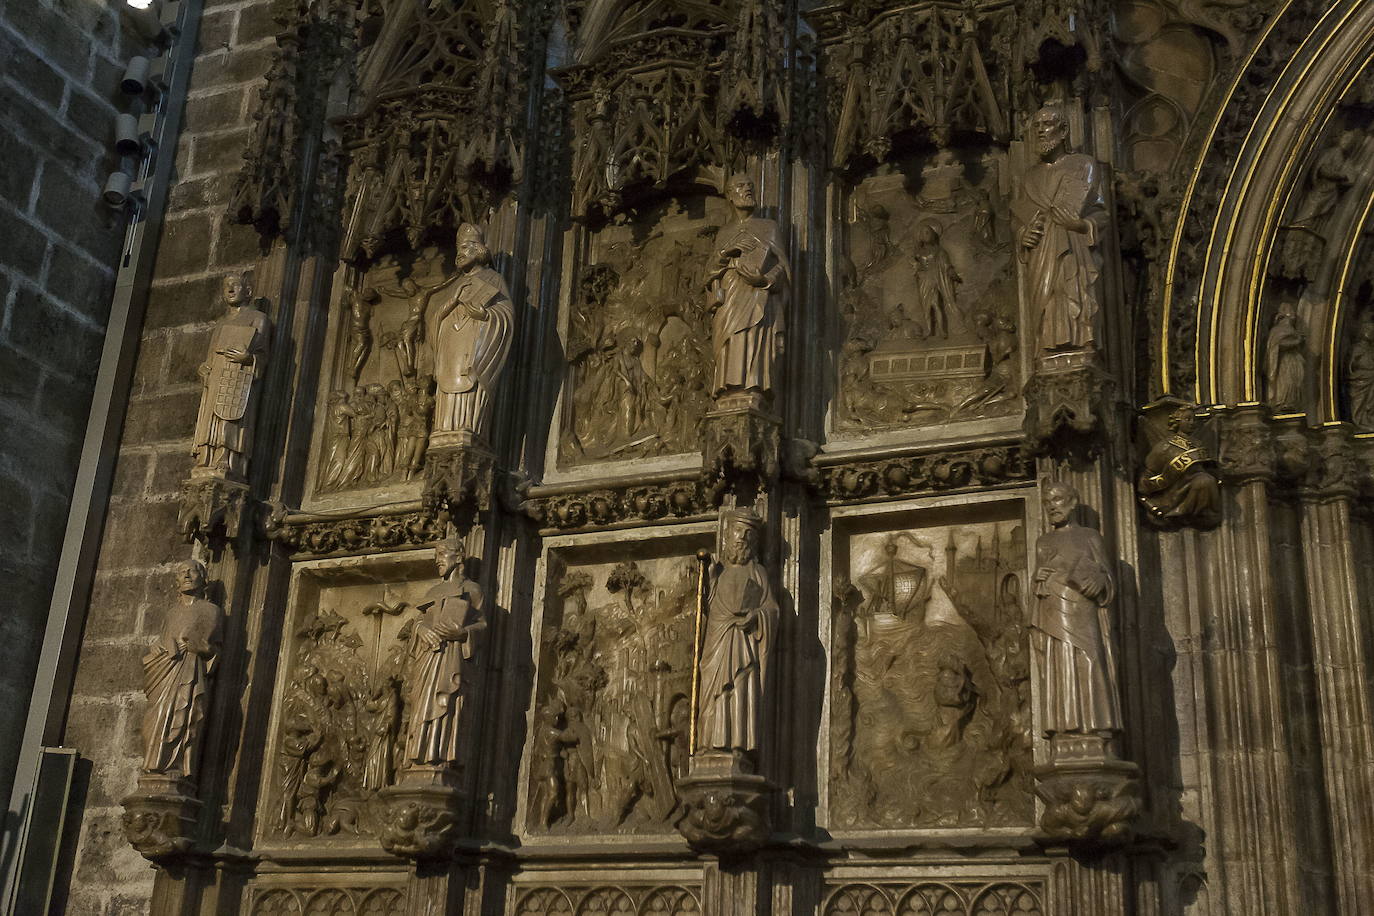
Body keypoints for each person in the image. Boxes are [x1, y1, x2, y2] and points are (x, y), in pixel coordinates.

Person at [1014, 104, 1108, 353]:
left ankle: (1081, 342)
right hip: (1041, 252)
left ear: (1064, 129)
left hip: (1073, 245)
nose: (1040, 131)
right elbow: (1020, 220)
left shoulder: (1083, 165)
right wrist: (1024, 235)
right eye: (1036, 126)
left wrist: (1080, 225)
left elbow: (1101, 213)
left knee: (1072, 289)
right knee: (1047, 299)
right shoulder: (1029, 177)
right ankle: (1047, 346)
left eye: (1046, 124)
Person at [1031, 482, 1122, 738]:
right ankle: (1064, 728)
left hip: (1083, 609)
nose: (1051, 506)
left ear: (1073, 502)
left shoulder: (1090, 536)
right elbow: (1037, 584)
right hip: (1052, 609)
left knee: (1091, 659)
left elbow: (1106, 575)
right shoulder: (1043, 542)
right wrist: (1037, 579)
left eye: (1057, 500)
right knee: (1059, 663)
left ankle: (1097, 726)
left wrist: (1101, 581)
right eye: (1047, 502)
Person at [695, 509, 779, 767]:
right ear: (726, 536)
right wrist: (705, 579)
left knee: (740, 689)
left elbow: (772, 610)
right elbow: (704, 608)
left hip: (744, 643)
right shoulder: (715, 572)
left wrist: (757, 617)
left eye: (748, 533)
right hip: (717, 643)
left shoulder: (758, 573)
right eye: (737, 531)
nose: (742, 537)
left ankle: (738, 746)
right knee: (713, 693)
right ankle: (709, 744)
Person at [426, 223, 516, 447]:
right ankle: (445, 429)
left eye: (466, 247)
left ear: (479, 250)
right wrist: (453, 301)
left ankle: (470, 430)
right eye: (459, 249)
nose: (460, 254)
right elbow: (435, 319)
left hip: (474, 351)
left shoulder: (493, 279)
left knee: (469, 390)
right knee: (447, 392)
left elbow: (506, 316)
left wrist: (486, 315)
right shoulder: (455, 284)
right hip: (450, 353)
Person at [705, 174, 790, 402]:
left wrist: (763, 281)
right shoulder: (724, 233)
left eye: (751, 186)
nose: (748, 190)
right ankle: (727, 389)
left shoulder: (768, 227)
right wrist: (725, 252)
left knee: (753, 340)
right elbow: (709, 273)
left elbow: (783, 267)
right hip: (730, 297)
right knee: (729, 342)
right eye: (741, 186)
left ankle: (752, 389)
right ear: (730, 196)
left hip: (757, 295)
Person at [403, 537, 487, 768]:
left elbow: (483, 626)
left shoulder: (472, 590)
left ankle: (439, 759)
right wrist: (420, 629)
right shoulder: (433, 590)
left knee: (448, 701)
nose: (437, 561)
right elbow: (420, 621)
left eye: (441, 554)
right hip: (428, 657)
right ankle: (417, 756)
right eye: (435, 556)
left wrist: (462, 634)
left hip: (451, 657)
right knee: (421, 704)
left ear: (458, 557)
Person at [141, 560, 221, 779]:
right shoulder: (172, 613)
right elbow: (166, 640)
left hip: (189, 670)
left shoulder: (211, 611)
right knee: (156, 716)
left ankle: (176, 767)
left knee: (186, 716)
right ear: (176, 581)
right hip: (165, 671)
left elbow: (214, 648)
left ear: (202, 577)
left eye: (191, 571)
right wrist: (157, 646)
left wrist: (194, 646)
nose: (186, 575)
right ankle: (153, 765)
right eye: (181, 572)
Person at [192, 273, 271, 479]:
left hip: (239, 376)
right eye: (226, 286)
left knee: (231, 418)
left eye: (235, 285)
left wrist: (249, 358)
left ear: (248, 291)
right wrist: (205, 368)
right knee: (211, 420)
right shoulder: (221, 322)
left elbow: (263, 355)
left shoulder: (258, 318)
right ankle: (206, 457)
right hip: (216, 376)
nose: (230, 289)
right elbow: (210, 354)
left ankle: (227, 460)